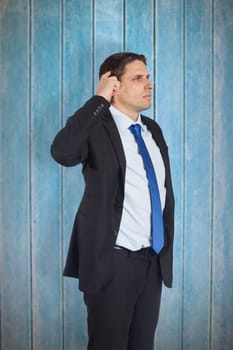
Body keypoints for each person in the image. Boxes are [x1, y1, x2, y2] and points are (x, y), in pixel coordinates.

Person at [51, 52, 175, 350]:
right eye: (138, 77)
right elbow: (63, 152)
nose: (149, 84)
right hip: (113, 264)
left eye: (148, 76)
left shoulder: (152, 130)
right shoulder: (96, 126)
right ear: (113, 84)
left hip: (152, 263)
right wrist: (98, 100)